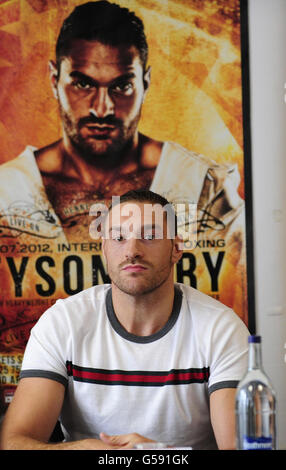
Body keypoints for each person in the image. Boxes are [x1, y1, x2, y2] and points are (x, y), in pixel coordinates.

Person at [0, 189, 249, 450]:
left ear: (176, 248)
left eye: (150, 236)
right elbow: (13, 442)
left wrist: (159, 455)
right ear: (104, 249)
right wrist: (78, 450)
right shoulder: (63, 323)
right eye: (118, 237)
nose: (132, 251)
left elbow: (241, 448)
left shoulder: (221, 329)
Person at [0, 0, 245, 248]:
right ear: (54, 80)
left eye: (122, 86)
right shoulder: (7, 192)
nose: (102, 109)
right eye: (83, 84)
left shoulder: (202, 185)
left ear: (145, 83)